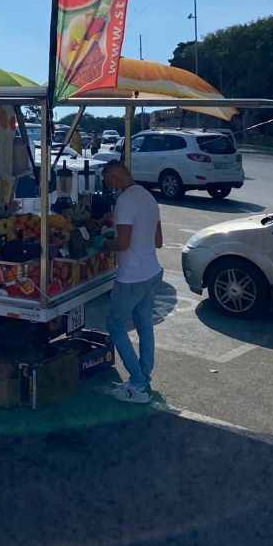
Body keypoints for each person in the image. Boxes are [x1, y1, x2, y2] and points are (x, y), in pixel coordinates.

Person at [101, 159, 163, 404]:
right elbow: (158, 240)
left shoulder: (125, 200)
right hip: (152, 271)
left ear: (115, 177)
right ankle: (144, 376)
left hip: (132, 276)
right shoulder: (148, 197)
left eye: (108, 183)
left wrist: (105, 243)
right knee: (144, 323)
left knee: (115, 325)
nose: (110, 187)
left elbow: (123, 243)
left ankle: (136, 384)